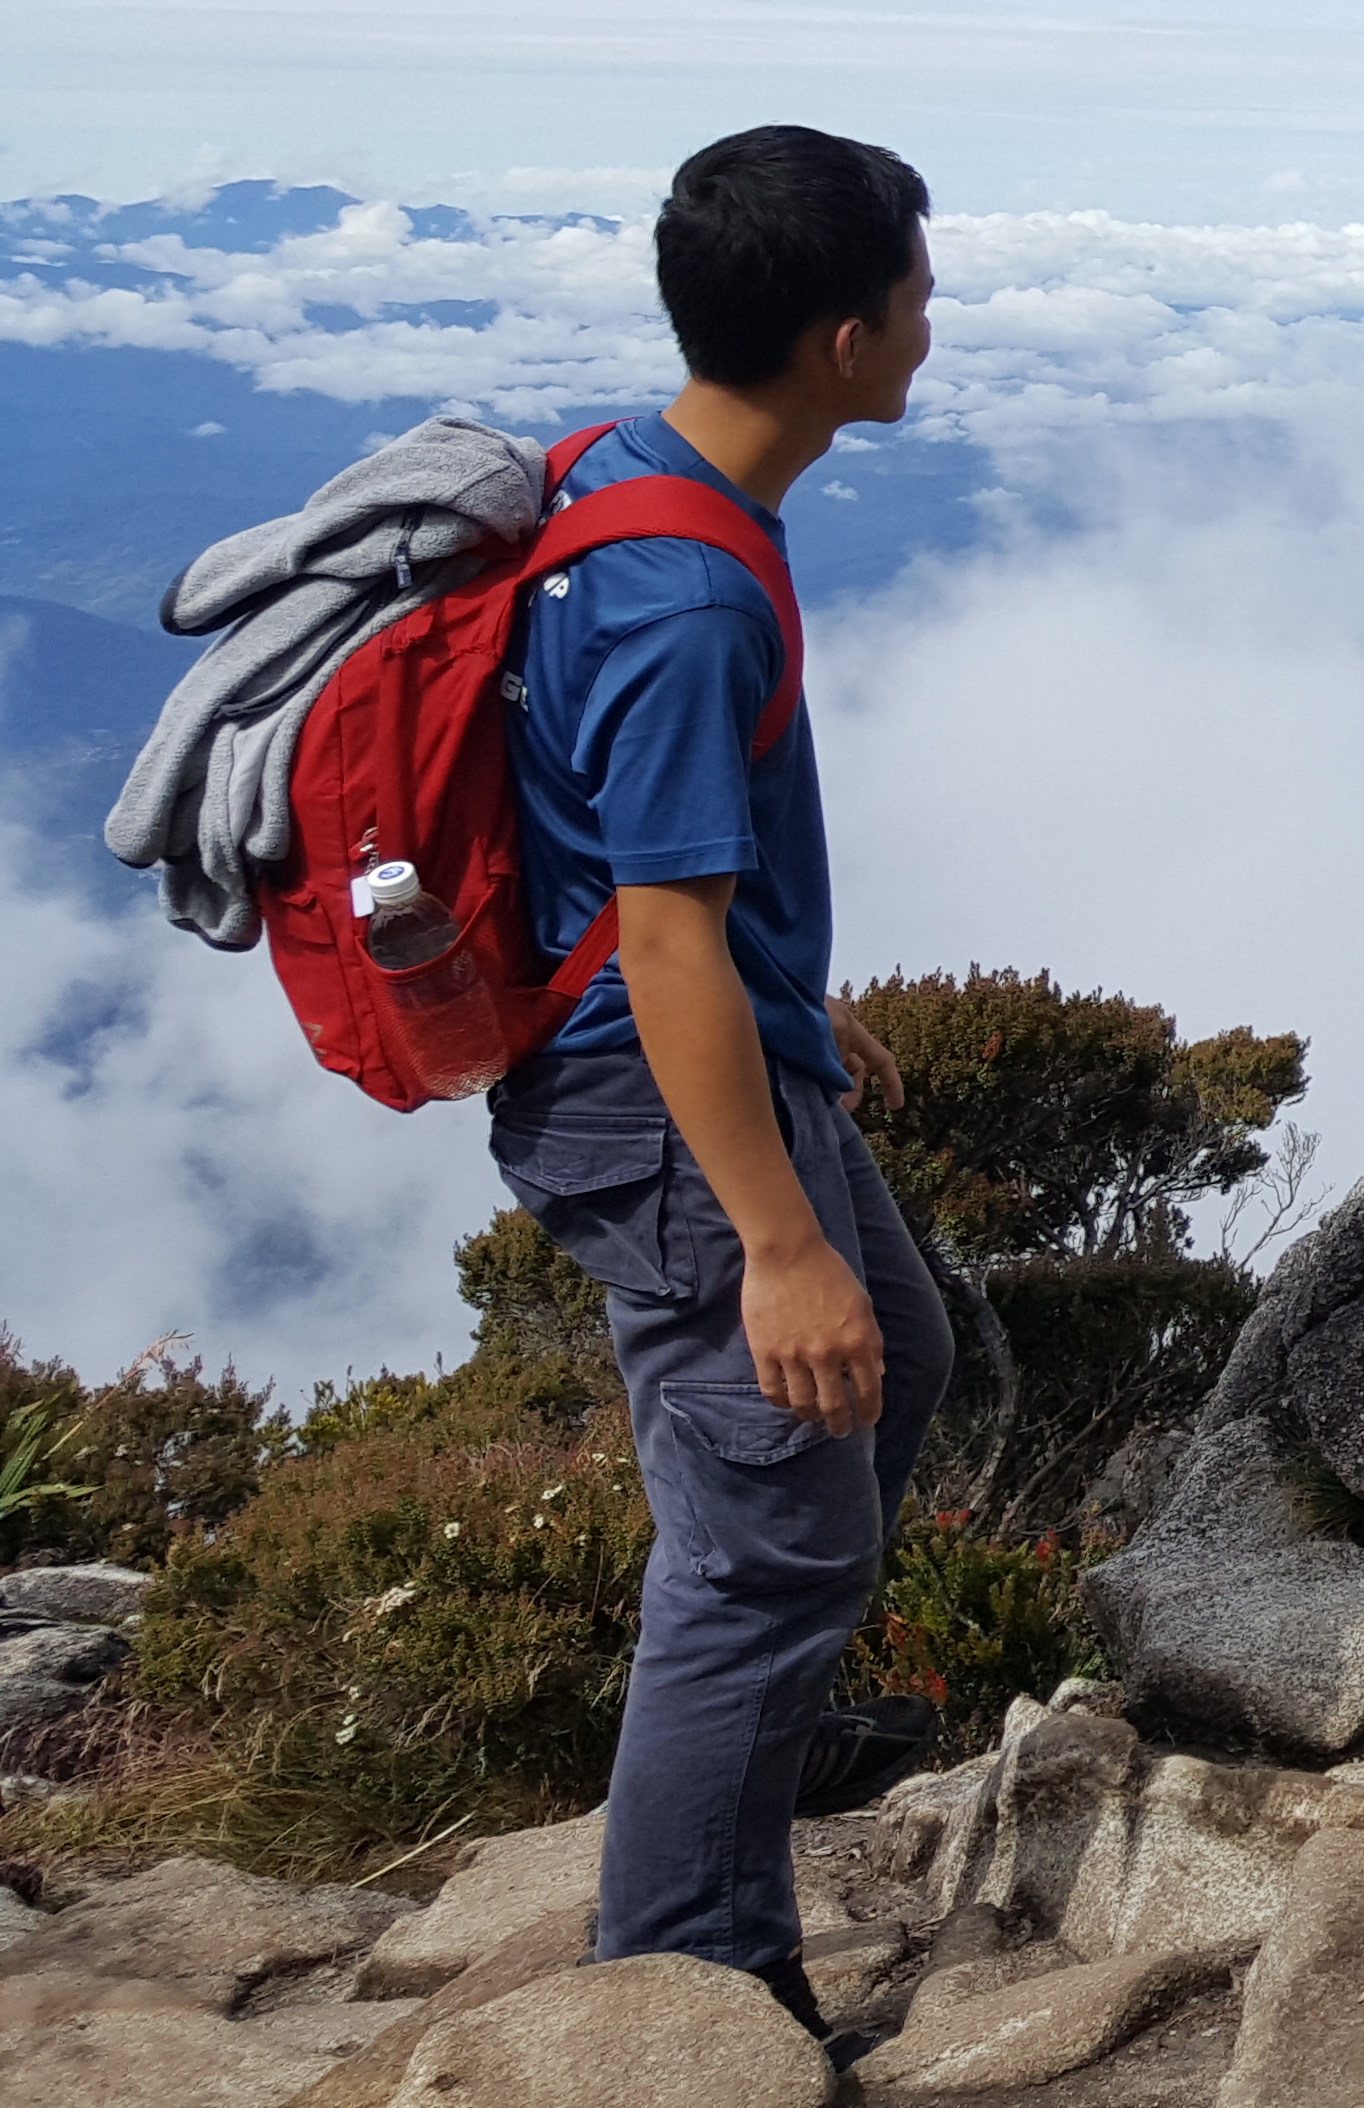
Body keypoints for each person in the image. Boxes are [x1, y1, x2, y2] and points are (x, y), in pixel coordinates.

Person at [495, 126, 957, 2041]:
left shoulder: (631, 464)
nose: (934, 325)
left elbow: (664, 888)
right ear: (845, 338)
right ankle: (688, 1986)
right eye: (920, 296)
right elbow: (663, 933)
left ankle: (775, 1700)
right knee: (771, 1533)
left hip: (710, 1043)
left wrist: (793, 1004)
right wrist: (776, 1240)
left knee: (904, 1357)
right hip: (652, 1104)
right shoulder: (687, 594)